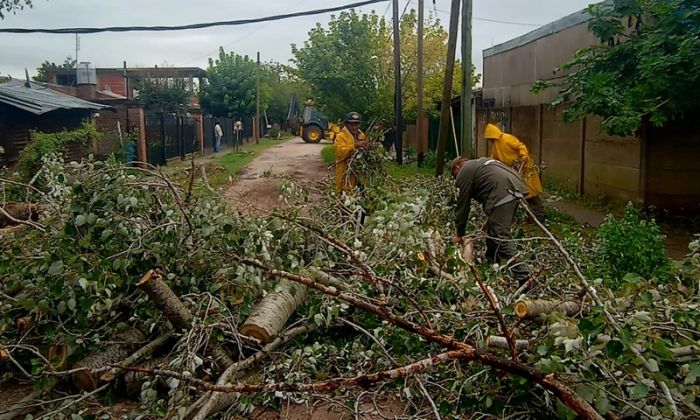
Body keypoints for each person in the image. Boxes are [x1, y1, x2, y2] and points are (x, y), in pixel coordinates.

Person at [451, 156, 531, 286]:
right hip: (514, 187)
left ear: (456, 168)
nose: (457, 180)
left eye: (455, 176)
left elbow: (463, 205)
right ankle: (492, 263)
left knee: (500, 235)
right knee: (492, 232)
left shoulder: (464, 171)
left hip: (503, 191)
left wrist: (459, 233)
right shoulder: (480, 163)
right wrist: (490, 221)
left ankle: (525, 277)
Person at [484, 123, 546, 222]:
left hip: (523, 169)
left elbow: (521, 146)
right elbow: (494, 159)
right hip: (513, 171)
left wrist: (523, 157)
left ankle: (539, 214)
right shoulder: (496, 146)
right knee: (518, 192)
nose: (490, 141)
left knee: (530, 192)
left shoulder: (507, 138)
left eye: (490, 138)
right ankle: (530, 214)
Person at [335, 111, 368, 193]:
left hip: (359, 174)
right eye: (351, 124)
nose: (354, 127)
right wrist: (354, 146)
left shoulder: (361, 135)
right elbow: (339, 152)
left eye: (356, 124)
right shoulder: (340, 136)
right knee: (343, 195)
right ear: (346, 124)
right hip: (345, 172)